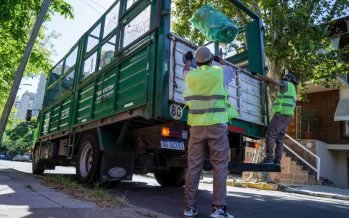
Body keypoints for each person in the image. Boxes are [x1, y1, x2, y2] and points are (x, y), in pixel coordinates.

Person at [182, 46, 238, 218]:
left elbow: (185, 70)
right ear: (211, 60)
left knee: (194, 167)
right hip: (217, 126)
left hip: (196, 127)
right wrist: (219, 59)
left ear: (197, 62)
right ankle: (218, 209)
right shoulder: (219, 72)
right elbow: (233, 70)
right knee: (220, 167)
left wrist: (188, 61)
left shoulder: (190, 76)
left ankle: (189, 208)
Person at [256, 71, 298, 165]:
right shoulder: (292, 88)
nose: (283, 78)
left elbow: (272, 81)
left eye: (285, 77)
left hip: (281, 114)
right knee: (280, 139)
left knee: (270, 134)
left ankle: (269, 158)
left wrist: (260, 76)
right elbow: (273, 87)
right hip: (288, 116)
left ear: (289, 79)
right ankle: (277, 161)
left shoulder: (286, 83)